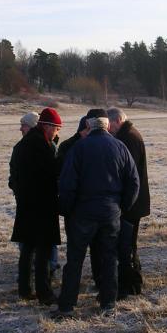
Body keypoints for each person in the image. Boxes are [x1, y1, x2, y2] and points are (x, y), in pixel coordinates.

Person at [53, 109, 140, 319]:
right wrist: (122, 207)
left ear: (89, 126)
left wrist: (66, 209)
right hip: (110, 213)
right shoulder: (120, 147)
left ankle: (67, 306)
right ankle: (108, 302)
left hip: (82, 213)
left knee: (75, 259)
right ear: (107, 126)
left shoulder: (79, 148)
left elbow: (67, 184)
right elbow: (133, 181)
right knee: (109, 257)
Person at [10, 107, 62, 305]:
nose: (57, 133)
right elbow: (51, 172)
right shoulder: (42, 146)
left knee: (27, 249)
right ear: (47, 126)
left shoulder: (23, 144)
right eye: (56, 129)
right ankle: (44, 292)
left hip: (26, 204)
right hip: (42, 205)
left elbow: (14, 174)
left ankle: (24, 289)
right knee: (43, 251)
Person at [108, 107, 150, 298]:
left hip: (132, 202)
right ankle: (133, 282)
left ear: (117, 120)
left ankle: (132, 285)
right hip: (133, 200)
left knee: (128, 245)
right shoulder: (128, 135)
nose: (109, 129)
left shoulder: (129, 138)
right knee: (128, 244)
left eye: (110, 125)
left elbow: (128, 173)